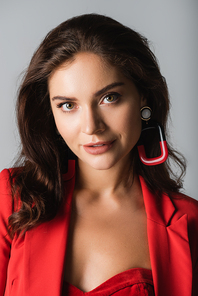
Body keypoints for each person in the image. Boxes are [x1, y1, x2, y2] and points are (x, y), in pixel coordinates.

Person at [0, 13, 197, 296]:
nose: (92, 126)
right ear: (50, 113)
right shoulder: (12, 199)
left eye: (109, 98)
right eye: (68, 105)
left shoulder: (189, 222)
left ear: (144, 97)